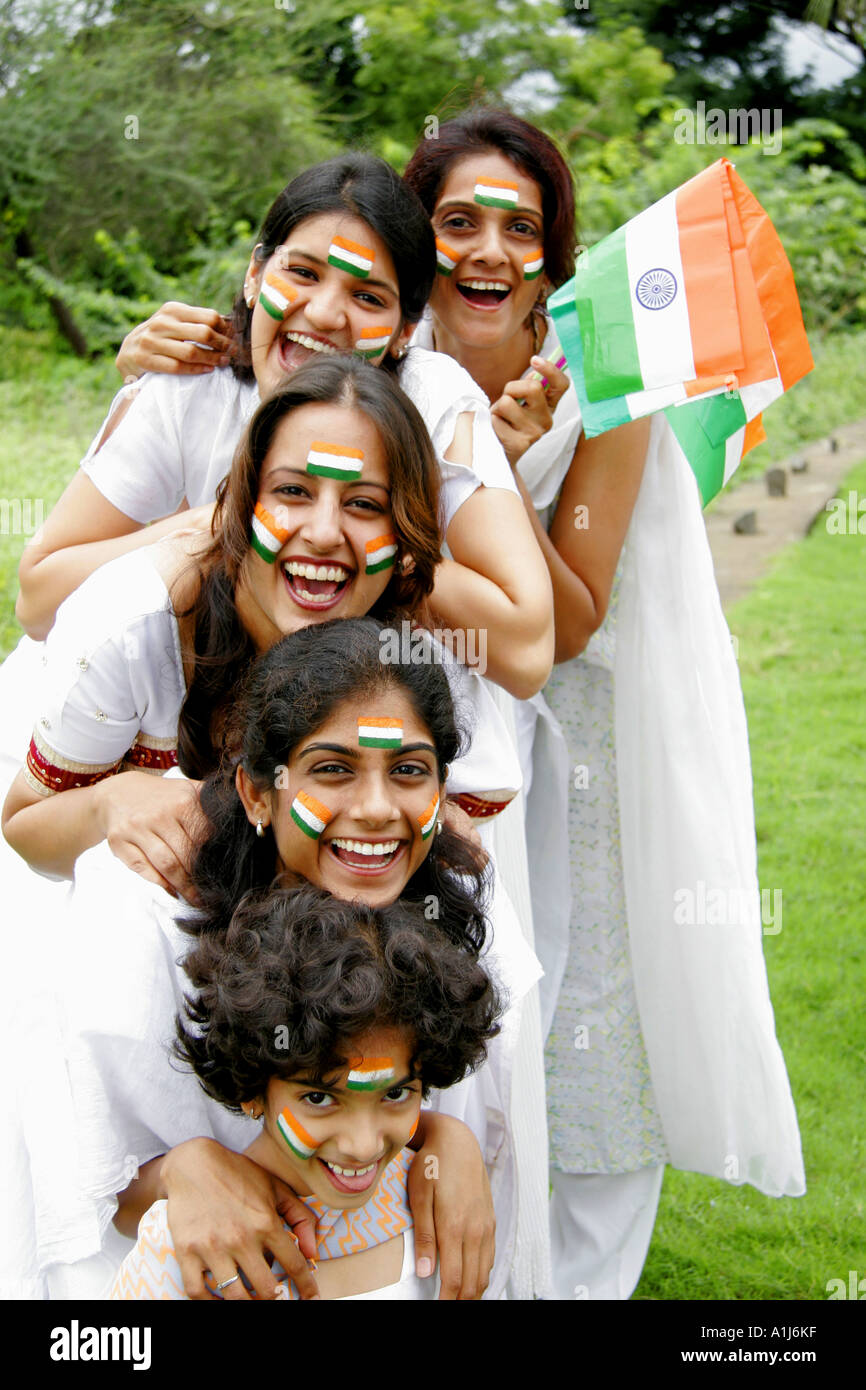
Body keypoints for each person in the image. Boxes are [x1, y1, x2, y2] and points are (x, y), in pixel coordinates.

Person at [402, 106, 806, 1299]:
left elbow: (564, 618)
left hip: (575, 756)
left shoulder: (604, 386)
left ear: (551, 250)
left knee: (580, 1026)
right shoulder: (384, 362)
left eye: (516, 227)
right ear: (417, 238)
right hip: (417, 740)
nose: (485, 249)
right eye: (456, 220)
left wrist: (503, 486)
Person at [48, 619, 526, 1300]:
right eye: (332, 769)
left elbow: (453, 1110)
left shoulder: (459, 900)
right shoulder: (144, 913)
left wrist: (446, 1135)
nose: (375, 810)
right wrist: (184, 1169)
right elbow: (85, 1183)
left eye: (409, 771)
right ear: (256, 793)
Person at [13, 153, 552, 702]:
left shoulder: (431, 400)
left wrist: (366, 555)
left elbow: (527, 653)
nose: (323, 313)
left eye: (367, 297)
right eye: (303, 273)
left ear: (404, 332)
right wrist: (225, 525)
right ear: (255, 275)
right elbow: (38, 600)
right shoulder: (191, 387)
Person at [110, 884, 502, 1300]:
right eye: (319, 1098)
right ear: (251, 1086)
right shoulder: (191, 1240)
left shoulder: (437, 1202)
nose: (363, 1144)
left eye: (395, 1095)